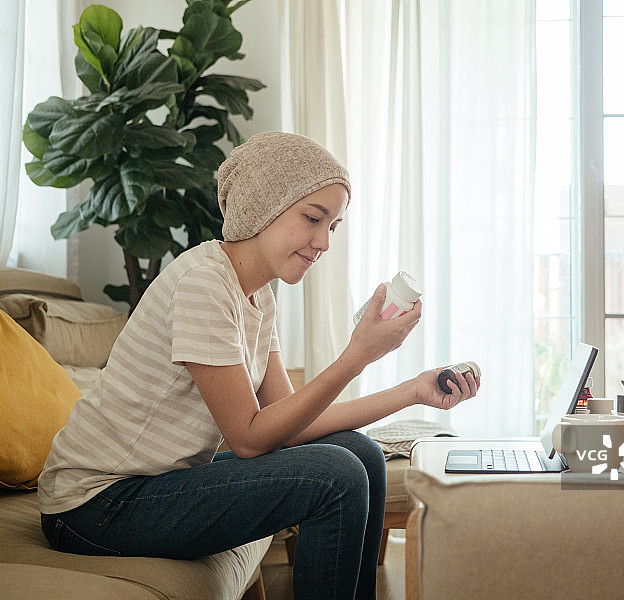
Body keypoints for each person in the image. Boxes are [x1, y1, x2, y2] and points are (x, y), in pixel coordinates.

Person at [38, 132, 480, 600]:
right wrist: (356, 356)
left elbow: (286, 424)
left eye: (332, 226)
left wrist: (412, 390)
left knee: (362, 455)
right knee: (336, 476)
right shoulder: (203, 284)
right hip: (96, 505)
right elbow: (249, 439)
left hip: (154, 484)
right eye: (313, 218)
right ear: (262, 208)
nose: (324, 242)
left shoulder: (258, 295)